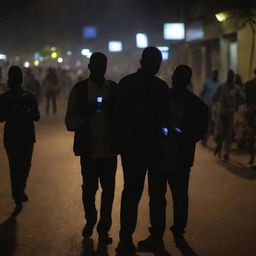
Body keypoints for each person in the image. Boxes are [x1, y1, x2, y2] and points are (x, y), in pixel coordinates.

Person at [137, 65, 208, 253]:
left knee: (177, 197)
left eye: (181, 79)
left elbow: (200, 130)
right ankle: (159, 234)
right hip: (160, 156)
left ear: (185, 81)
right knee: (160, 197)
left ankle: (175, 231)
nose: (177, 82)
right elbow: (148, 122)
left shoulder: (195, 105)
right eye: (177, 78)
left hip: (179, 158)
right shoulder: (162, 99)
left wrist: (183, 134)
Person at [115, 46, 169, 255]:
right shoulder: (160, 87)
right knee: (154, 195)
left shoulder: (127, 84)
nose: (156, 66)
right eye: (155, 62)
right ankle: (153, 238)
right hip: (150, 149)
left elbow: (118, 118)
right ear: (145, 62)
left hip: (136, 149)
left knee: (133, 193)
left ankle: (126, 239)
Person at [65, 52, 118, 244]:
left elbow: (121, 118)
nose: (100, 69)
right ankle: (91, 219)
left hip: (109, 149)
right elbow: (69, 122)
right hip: (88, 150)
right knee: (89, 189)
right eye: (97, 65)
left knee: (109, 190)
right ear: (90, 67)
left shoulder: (113, 89)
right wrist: (87, 118)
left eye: (102, 65)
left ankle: (104, 228)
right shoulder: (79, 91)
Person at [0, 66, 40, 210]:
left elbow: (36, 116)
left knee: (21, 166)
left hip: (20, 136)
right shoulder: (7, 98)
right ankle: (18, 192)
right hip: (19, 137)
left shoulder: (28, 97)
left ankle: (18, 190)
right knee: (19, 165)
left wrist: (25, 111)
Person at [212, 70, 246, 160]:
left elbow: (243, 98)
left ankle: (225, 152)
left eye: (231, 76)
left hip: (231, 113)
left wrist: (236, 104)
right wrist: (216, 106)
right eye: (229, 75)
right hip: (221, 112)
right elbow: (214, 97)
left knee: (228, 134)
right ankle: (218, 146)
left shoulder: (236, 88)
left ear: (233, 77)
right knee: (219, 133)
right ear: (227, 76)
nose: (230, 77)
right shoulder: (221, 86)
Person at [200, 69, 219, 146]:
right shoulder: (207, 83)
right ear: (212, 74)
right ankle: (204, 139)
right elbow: (202, 93)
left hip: (215, 107)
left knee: (213, 124)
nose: (215, 75)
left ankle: (208, 138)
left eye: (216, 73)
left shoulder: (219, 84)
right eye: (214, 73)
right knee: (207, 123)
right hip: (207, 105)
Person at [244, 68, 256, 167]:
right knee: (251, 136)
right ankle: (252, 157)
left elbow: (246, 99)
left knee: (251, 136)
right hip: (251, 113)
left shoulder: (249, 84)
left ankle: (252, 158)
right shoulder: (249, 84)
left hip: (250, 112)